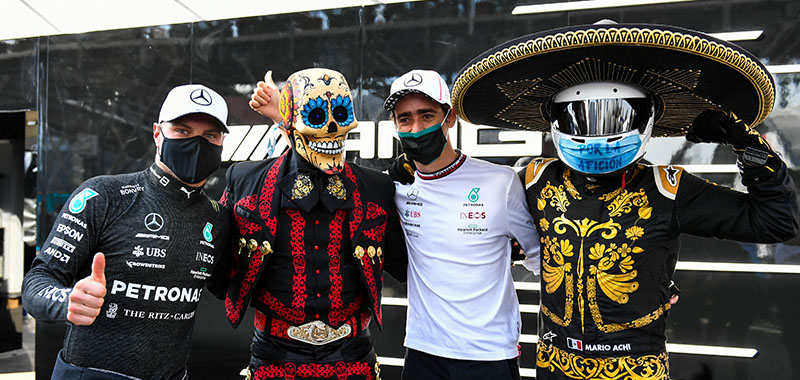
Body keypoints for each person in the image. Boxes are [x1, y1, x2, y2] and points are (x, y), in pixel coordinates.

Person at [450, 22, 800, 379]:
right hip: (556, 365)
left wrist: (748, 145)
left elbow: (776, 221)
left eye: (614, 115)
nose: (598, 134)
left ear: (646, 116)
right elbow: (465, 216)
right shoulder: (534, 179)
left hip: (635, 369)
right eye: (582, 116)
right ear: (555, 119)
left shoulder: (667, 188)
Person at [21, 83, 233, 380]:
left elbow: (232, 287)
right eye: (182, 131)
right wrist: (67, 300)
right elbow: (35, 283)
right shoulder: (104, 195)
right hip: (89, 374)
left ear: (222, 141)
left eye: (209, 135)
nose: (196, 144)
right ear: (158, 133)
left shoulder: (219, 218)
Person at [222, 68, 407, 379]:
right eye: (317, 117)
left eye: (342, 116)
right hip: (275, 356)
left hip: (353, 355)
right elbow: (216, 260)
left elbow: (405, 263)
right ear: (290, 125)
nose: (333, 130)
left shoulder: (377, 188)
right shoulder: (245, 180)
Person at [383, 69, 540, 380]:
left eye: (427, 116)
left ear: (450, 118)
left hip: (489, 354)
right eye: (405, 119)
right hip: (422, 351)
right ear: (395, 125)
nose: (416, 128)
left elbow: (546, 260)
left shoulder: (500, 182)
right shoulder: (395, 187)